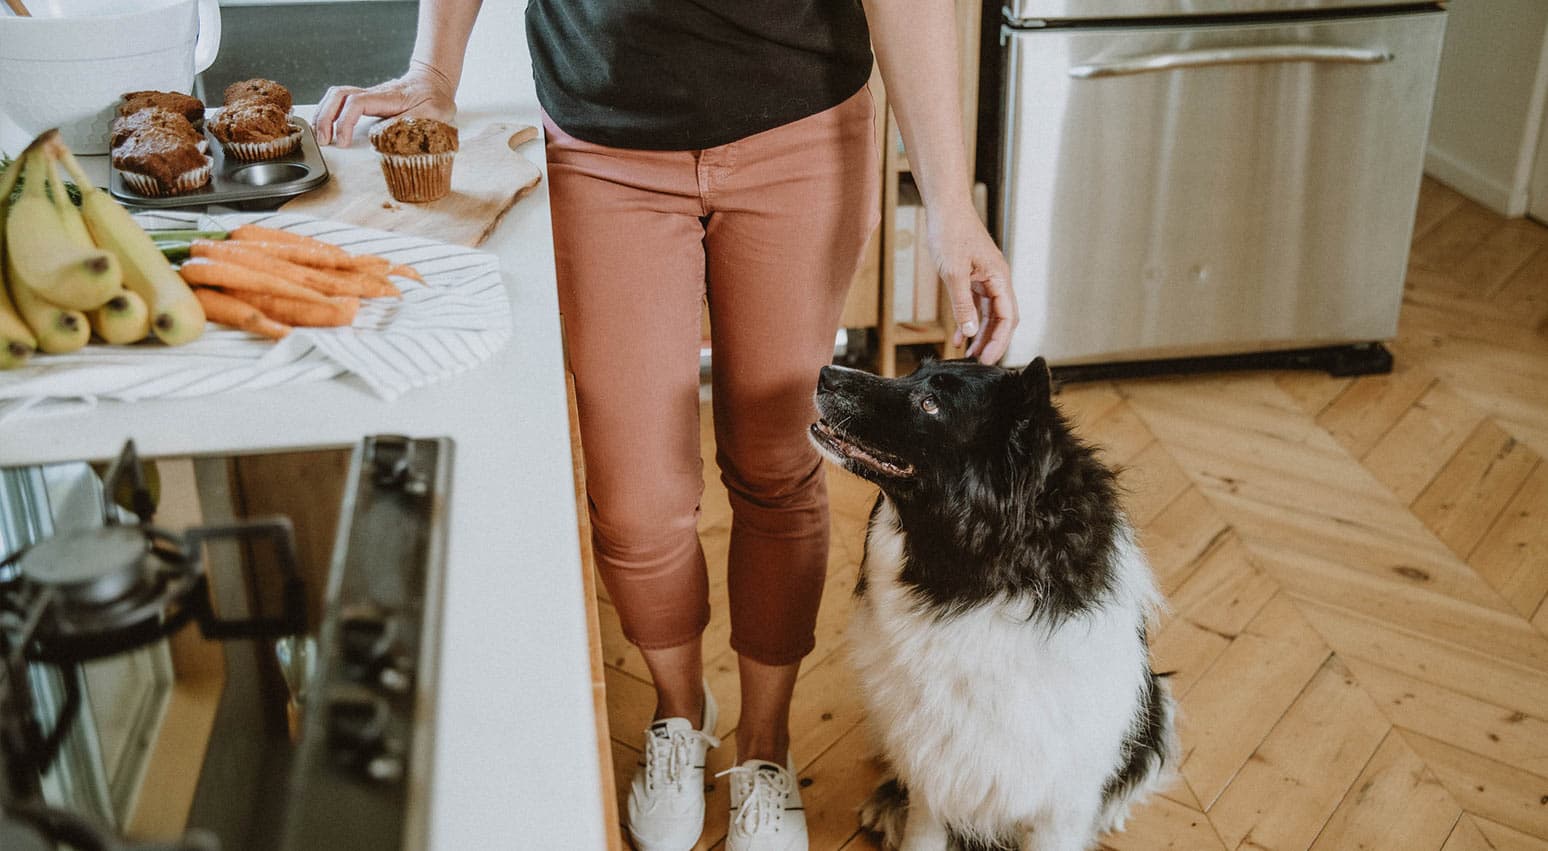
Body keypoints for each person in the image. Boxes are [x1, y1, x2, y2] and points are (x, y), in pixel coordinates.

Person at [316, 2, 1017, 848]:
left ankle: (765, 741)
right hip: (602, 144)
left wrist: (949, 202)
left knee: (777, 463)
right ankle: (680, 711)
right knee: (635, 498)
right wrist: (433, 71)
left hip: (801, 132)